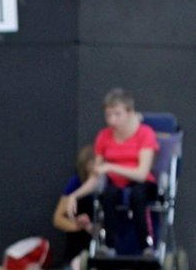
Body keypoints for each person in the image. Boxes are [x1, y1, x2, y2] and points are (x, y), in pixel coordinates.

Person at [66, 88, 159, 257]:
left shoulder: (146, 133)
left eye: (117, 114)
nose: (111, 120)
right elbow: (95, 176)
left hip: (142, 184)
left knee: (137, 195)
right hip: (116, 184)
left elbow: (141, 174)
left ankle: (146, 247)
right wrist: (74, 195)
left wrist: (111, 167)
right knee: (108, 194)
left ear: (130, 112)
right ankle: (108, 246)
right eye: (108, 115)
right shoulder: (103, 136)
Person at [53, 145, 96, 270]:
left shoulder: (106, 182)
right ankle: (73, 260)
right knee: (79, 204)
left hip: (99, 231)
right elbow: (57, 218)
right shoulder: (76, 182)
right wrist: (78, 225)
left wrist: (95, 227)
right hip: (80, 234)